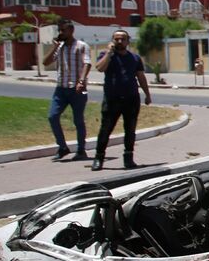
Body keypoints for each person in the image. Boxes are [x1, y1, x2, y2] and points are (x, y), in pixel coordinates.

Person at [92, 29, 152, 171]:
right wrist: (108, 53)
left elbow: (141, 77)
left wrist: (147, 94)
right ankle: (99, 158)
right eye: (116, 39)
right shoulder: (106, 56)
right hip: (112, 99)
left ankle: (128, 158)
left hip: (131, 99)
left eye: (123, 39)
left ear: (128, 41)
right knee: (105, 130)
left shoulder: (135, 58)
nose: (120, 41)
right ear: (112, 40)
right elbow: (99, 68)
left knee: (130, 130)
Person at [44, 21, 90, 161]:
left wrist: (82, 81)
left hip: (77, 89)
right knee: (52, 116)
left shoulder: (82, 46)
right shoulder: (60, 47)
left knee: (78, 120)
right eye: (59, 30)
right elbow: (45, 62)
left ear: (71, 30)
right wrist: (54, 47)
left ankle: (81, 150)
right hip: (61, 88)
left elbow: (87, 63)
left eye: (63, 30)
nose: (60, 33)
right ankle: (63, 147)